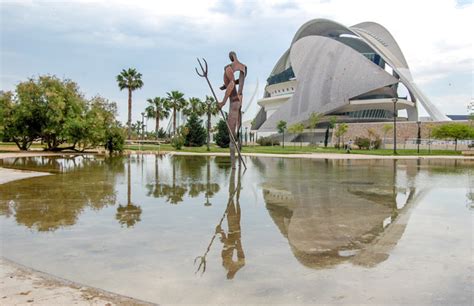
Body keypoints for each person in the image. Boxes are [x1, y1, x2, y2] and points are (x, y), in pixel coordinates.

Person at [218, 51, 247, 169]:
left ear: (231, 57)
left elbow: (231, 84)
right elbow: (238, 82)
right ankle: (239, 163)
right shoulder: (244, 68)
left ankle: (234, 166)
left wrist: (223, 101)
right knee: (238, 132)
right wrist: (225, 86)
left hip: (234, 102)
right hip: (240, 100)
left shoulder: (229, 68)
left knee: (231, 135)